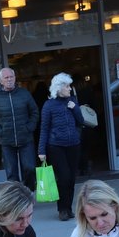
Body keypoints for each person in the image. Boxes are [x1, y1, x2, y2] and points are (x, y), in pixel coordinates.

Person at [38, 72, 84, 221]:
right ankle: (62, 209)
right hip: (56, 146)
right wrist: (41, 150)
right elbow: (44, 128)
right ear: (58, 88)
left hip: (73, 145)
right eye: (67, 86)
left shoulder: (72, 101)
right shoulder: (49, 105)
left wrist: (75, 108)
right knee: (63, 177)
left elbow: (81, 121)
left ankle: (69, 209)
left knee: (71, 179)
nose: (70, 89)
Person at [0, 67, 40, 190]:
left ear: (15, 78)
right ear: (1, 81)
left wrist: (29, 127)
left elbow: (34, 112)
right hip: (7, 141)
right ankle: (16, 199)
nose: (9, 79)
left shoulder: (24, 93)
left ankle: (28, 193)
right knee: (11, 174)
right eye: (6, 77)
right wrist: (0, 132)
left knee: (30, 168)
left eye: (11, 77)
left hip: (25, 138)